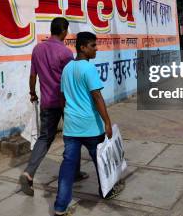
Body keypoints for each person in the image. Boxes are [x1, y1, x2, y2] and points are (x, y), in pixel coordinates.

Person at [53, 32, 124, 215]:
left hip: (71, 127)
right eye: (93, 46)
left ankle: (60, 206)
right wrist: (107, 122)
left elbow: (61, 98)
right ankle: (106, 192)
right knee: (100, 162)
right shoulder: (88, 69)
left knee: (68, 166)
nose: (96, 49)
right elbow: (97, 96)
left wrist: (66, 116)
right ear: (83, 47)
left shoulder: (67, 68)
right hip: (91, 127)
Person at [19, 17, 88, 195]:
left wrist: (32, 93)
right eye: (67, 31)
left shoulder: (37, 49)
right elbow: (73, 78)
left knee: (44, 139)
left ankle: (28, 173)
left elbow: (33, 75)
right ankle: (75, 171)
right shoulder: (65, 53)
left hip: (47, 103)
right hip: (66, 102)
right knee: (74, 136)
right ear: (64, 31)